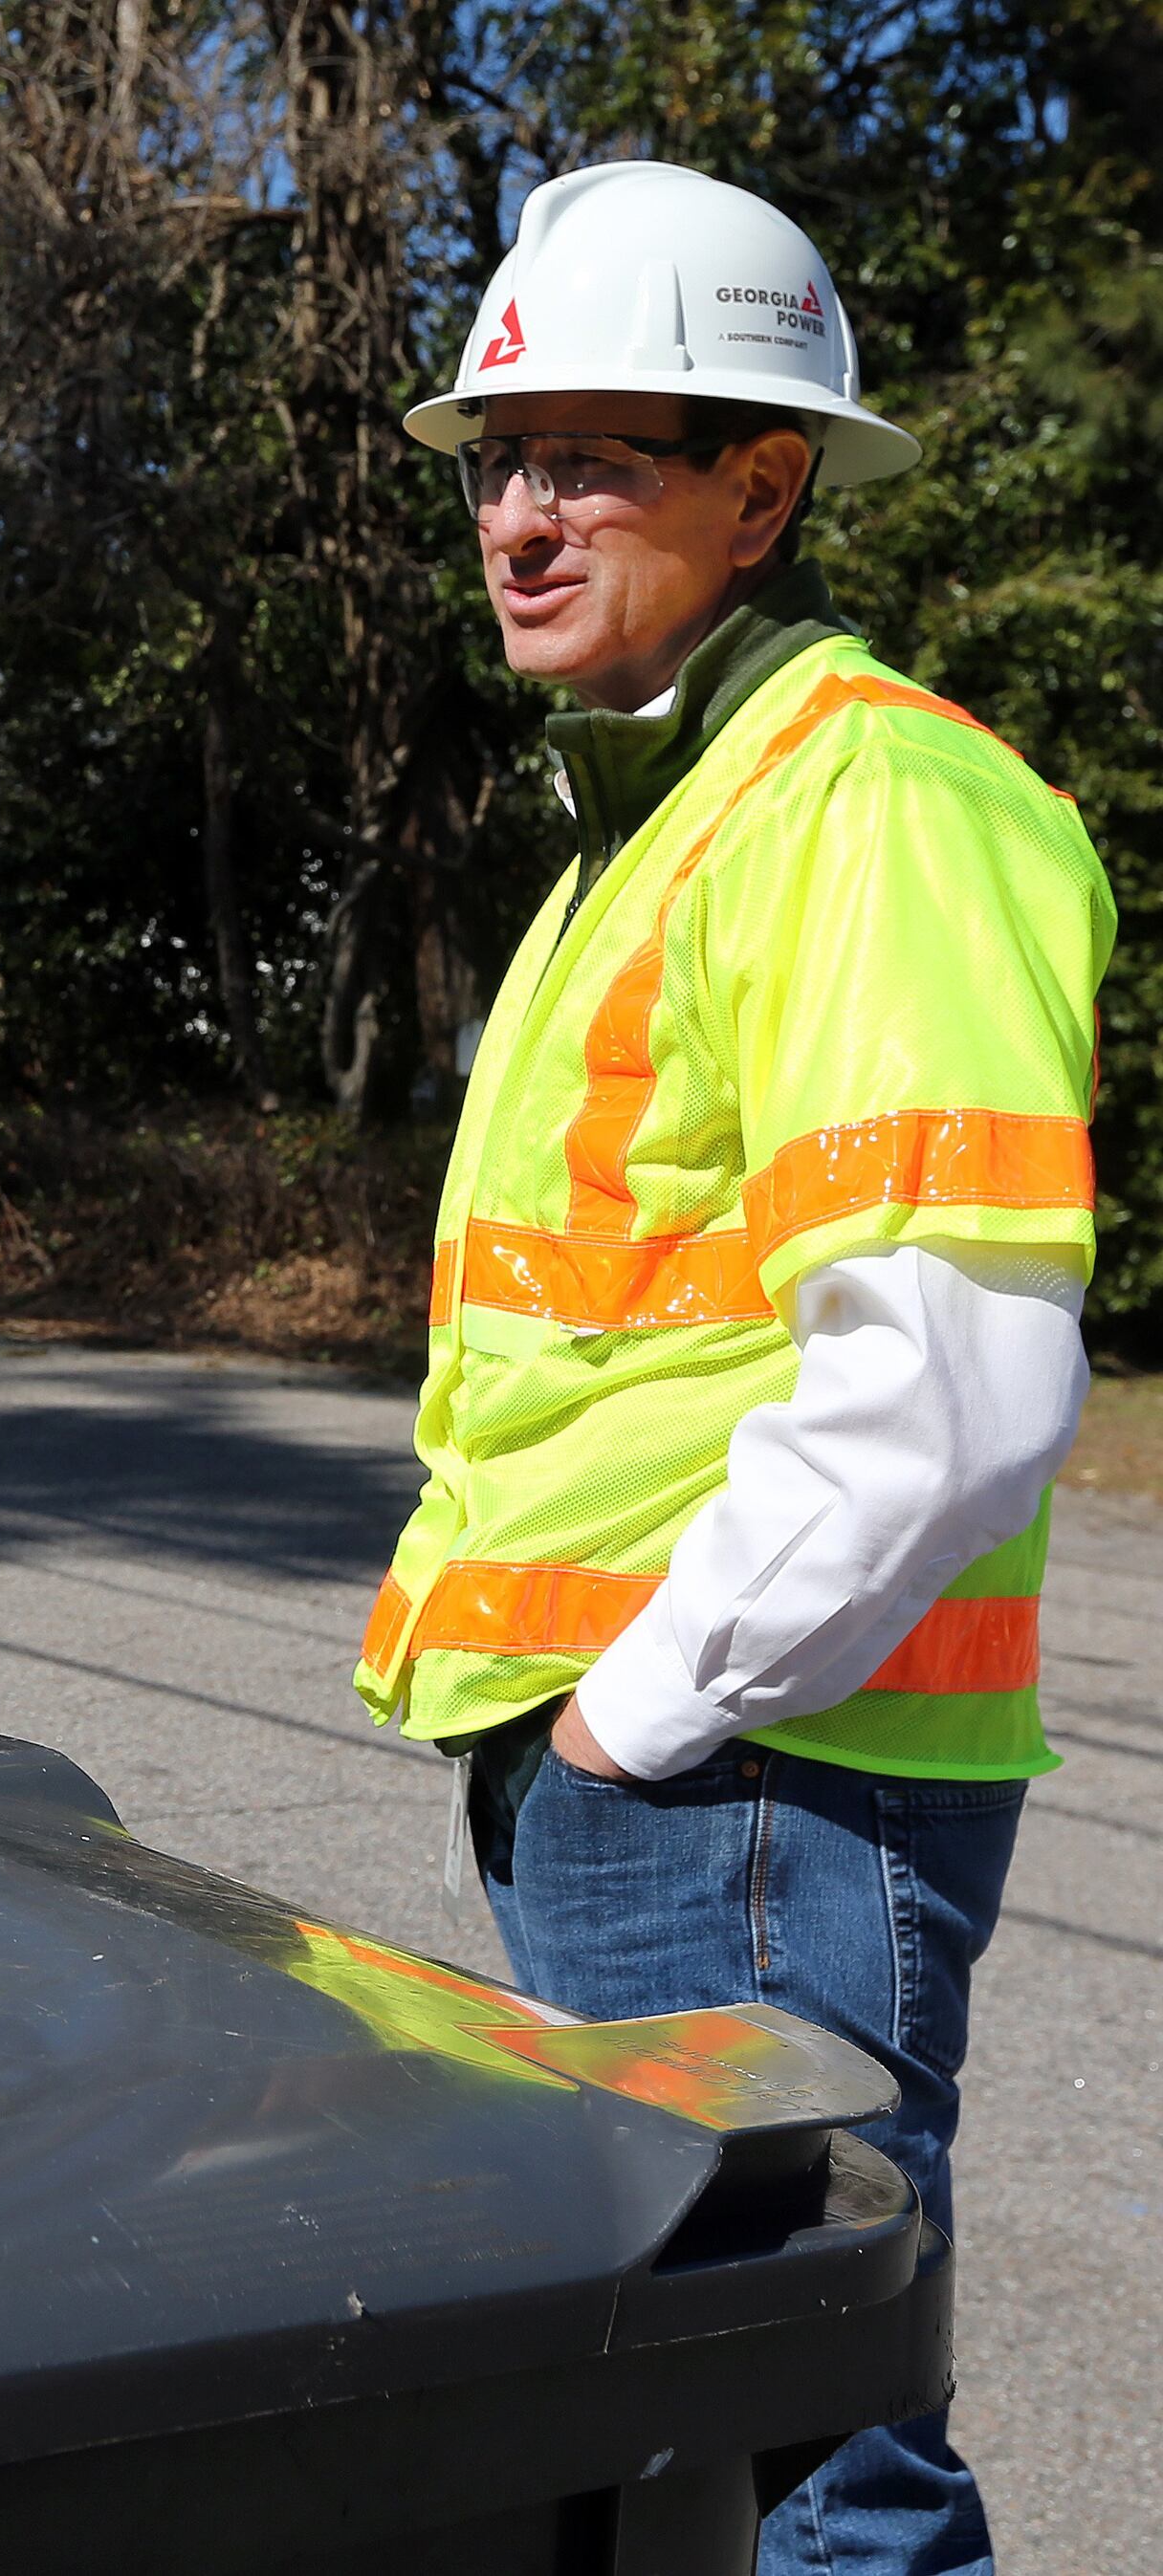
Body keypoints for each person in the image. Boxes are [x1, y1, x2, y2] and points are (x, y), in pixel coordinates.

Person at [360, 162, 1111, 2576]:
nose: (516, 514)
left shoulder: (862, 795)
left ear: (763, 483)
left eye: (586, 454)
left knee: (811, 2471)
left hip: (747, 1774)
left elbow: (951, 1378)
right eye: (491, 459)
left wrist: (636, 1708)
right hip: (677, 1771)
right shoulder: (659, 809)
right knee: (690, 2437)